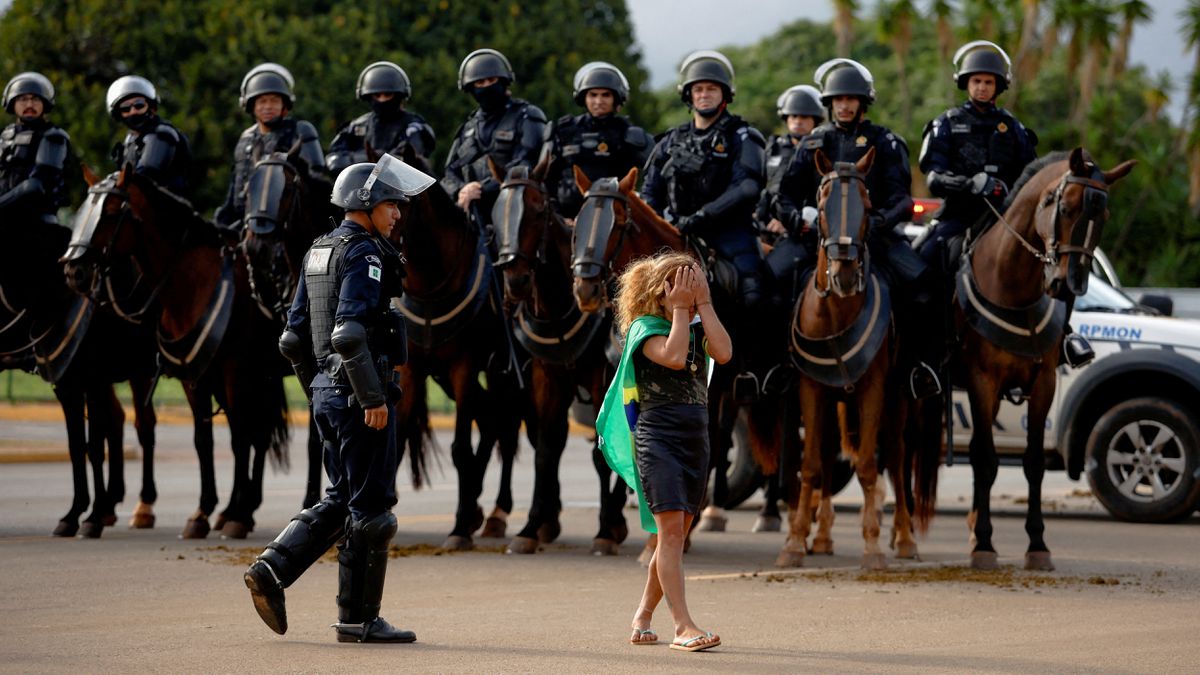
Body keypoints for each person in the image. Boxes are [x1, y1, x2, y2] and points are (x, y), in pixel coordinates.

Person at [244, 153, 436, 644]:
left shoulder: (318, 250)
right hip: (359, 394)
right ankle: (359, 620)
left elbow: (292, 339)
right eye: (392, 204)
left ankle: (271, 571)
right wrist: (370, 396)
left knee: (342, 497)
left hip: (331, 394)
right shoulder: (365, 253)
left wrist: (319, 388)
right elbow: (349, 334)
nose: (398, 213)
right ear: (366, 202)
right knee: (373, 510)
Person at [919, 41, 1090, 365]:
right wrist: (971, 184)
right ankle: (929, 349)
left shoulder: (1013, 128)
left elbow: (1034, 179)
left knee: (1063, 262)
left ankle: (1065, 337)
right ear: (966, 83)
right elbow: (934, 177)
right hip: (960, 216)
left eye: (988, 82)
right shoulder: (947, 123)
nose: (982, 87)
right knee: (922, 263)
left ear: (999, 86)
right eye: (976, 81)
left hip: (1008, 218)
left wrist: (1007, 190)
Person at [776, 58, 939, 398]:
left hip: (874, 240)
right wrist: (797, 220)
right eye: (838, 99)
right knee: (764, 284)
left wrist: (877, 221)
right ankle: (777, 369)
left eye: (851, 99)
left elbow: (902, 200)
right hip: (816, 241)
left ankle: (914, 368)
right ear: (830, 103)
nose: (844, 105)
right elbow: (784, 195)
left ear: (863, 102)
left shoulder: (886, 141)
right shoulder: (812, 143)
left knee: (924, 287)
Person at [596, 251, 730, 652]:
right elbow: (672, 357)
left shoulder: (692, 325)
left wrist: (703, 305)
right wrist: (678, 310)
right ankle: (683, 626)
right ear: (663, 292)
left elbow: (723, 353)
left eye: (695, 282)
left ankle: (642, 617)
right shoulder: (644, 328)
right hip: (658, 440)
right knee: (671, 535)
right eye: (682, 285)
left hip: (695, 438)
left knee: (672, 536)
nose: (689, 291)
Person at [641, 50, 767, 308]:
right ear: (689, 95)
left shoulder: (742, 135)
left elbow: (747, 187)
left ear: (724, 94)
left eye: (711, 89)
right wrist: (661, 222)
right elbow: (649, 192)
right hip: (674, 230)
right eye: (698, 89)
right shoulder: (671, 140)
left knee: (756, 292)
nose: (704, 94)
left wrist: (702, 216)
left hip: (730, 232)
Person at [441, 48, 546, 224]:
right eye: (480, 83)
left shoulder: (527, 116)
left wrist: (483, 188)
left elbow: (526, 163)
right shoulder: (468, 127)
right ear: (470, 88)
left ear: (504, 81)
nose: (487, 86)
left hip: (516, 212)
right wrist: (462, 190)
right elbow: (450, 172)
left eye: (492, 80)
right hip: (470, 215)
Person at [215, 63, 325, 230]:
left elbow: (315, 180)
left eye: (274, 100)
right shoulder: (245, 138)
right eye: (262, 101)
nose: (268, 106)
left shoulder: (299, 131)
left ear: (285, 105)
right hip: (242, 222)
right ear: (251, 105)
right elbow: (235, 185)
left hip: (285, 224)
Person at [540, 61, 653, 219]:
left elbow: (657, 172)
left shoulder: (629, 134)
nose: (598, 101)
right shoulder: (563, 131)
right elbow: (545, 179)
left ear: (616, 98)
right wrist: (557, 216)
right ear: (583, 97)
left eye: (605, 95)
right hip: (565, 222)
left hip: (615, 223)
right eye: (593, 95)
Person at [757, 84, 823, 301]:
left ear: (815, 120)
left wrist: (791, 220)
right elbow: (763, 189)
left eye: (805, 116)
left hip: (801, 230)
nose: (798, 121)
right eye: (793, 115)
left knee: (773, 276)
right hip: (764, 227)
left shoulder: (821, 151)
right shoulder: (773, 147)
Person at [326, 61, 436, 175]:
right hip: (358, 187)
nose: (382, 100)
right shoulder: (356, 127)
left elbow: (403, 161)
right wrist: (374, 158)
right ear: (368, 96)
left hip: (399, 189)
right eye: (377, 95)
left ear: (399, 95)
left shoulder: (413, 127)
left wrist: (357, 159)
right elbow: (334, 160)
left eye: (387, 95)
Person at [1, 72, 69, 225]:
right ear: (12, 103)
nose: (30, 105)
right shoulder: (5, 136)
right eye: (23, 99)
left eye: (36, 99)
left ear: (45, 103)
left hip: (37, 224)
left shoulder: (53, 136)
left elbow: (35, 186)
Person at [106, 75, 191, 195]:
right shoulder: (130, 140)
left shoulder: (162, 134)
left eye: (139, 105)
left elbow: (147, 173)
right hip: (137, 206)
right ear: (118, 114)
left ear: (151, 107)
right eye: (126, 108)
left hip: (167, 208)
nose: (133, 111)